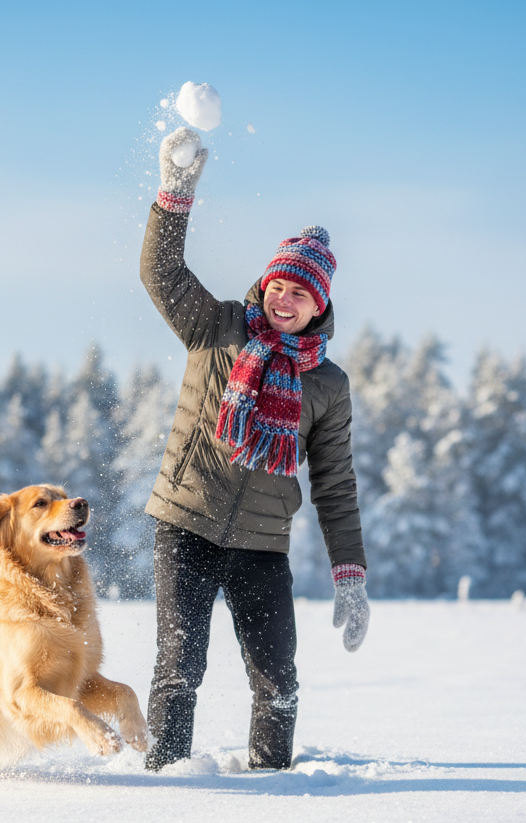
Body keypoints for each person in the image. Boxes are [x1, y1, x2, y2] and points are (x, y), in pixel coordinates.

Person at [139, 126, 369, 772]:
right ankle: (167, 780)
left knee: (279, 681)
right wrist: (175, 193)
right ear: (266, 282)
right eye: (279, 286)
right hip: (186, 522)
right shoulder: (220, 328)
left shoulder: (326, 385)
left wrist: (350, 574)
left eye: (300, 292)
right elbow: (160, 273)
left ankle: (274, 792)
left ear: (318, 303)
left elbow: (335, 483)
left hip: (262, 544)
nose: (284, 299)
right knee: (179, 667)